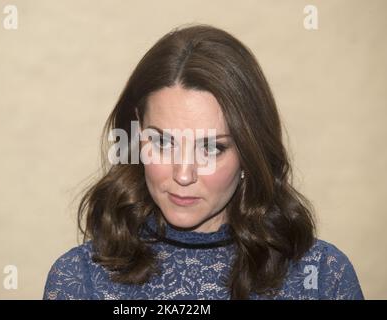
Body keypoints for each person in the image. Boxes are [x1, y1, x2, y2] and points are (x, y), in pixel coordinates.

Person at [43, 24, 364, 300]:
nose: (184, 174)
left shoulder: (323, 278)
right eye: (162, 142)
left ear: (249, 153)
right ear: (136, 134)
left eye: (210, 148)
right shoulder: (80, 279)